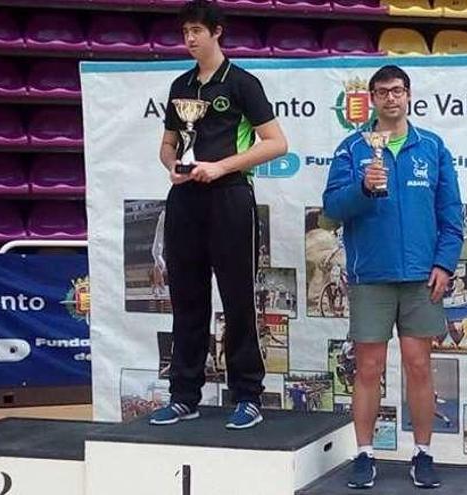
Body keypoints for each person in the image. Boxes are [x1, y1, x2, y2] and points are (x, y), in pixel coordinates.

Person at [149, 0, 288, 430]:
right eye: (185, 32)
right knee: (187, 300)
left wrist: (221, 166)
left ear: (217, 32)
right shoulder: (180, 85)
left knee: (238, 300)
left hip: (230, 197)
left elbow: (276, 143)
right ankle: (184, 395)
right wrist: (173, 165)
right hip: (186, 200)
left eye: (197, 31)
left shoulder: (242, 83)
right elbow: (168, 144)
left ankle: (248, 395)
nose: (190, 39)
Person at [322, 65, 463, 490]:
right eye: (382, 92)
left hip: (422, 277)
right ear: (372, 98)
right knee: (368, 368)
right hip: (371, 276)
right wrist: (362, 188)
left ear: (408, 95)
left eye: (397, 91)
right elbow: (331, 208)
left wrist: (445, 264)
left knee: (420, 367)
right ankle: (364, 454)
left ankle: (423, 453)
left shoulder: (432, 148)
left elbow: (452, 215)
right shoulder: (352, 149)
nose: (390, 98)